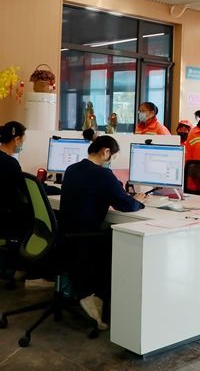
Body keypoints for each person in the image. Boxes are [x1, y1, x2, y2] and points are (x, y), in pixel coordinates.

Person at [60, 135, 146, 331]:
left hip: (66, 235)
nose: (111, 161)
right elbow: (126, 204)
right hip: (85, 237)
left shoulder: (71, 169)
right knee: (119, 240)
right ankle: (96, 297)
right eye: (112, 156)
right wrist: (140, 201)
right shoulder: (103, 175)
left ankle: (87, 292)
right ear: (106, 151)